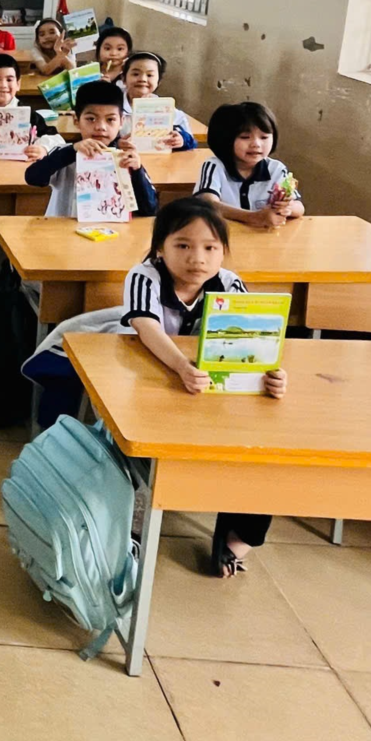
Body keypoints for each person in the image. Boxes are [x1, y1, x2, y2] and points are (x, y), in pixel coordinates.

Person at [121, 197, 284, 577]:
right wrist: (181, 365)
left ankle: (239, 537)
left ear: (223, 252)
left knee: (263, 450)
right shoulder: (145, 277)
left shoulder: (229, 283)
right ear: (159, 248)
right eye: (183, 245)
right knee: (140, 446)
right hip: (150, 381)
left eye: (210, 248)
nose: (198, 258)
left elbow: (251, 341)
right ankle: (132, 517)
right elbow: (146, 326)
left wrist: (272, 374)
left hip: (208, 389)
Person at [22, 79, 157, 216]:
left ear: (121, 122)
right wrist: (72, 151)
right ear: (76, 120)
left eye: (110, 119)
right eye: (91, 119)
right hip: (64, 228)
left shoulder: (126, 158)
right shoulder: (65, 153)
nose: (101, 127)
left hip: (112, 228)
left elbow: (149, 209)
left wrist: (137, 171)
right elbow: (33, 178)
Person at [195, 102, 304, 228]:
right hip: (223, 234)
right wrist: (254, 217)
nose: (256, 144)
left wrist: (286, 207)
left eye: (264, 137)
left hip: (262, 236)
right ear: (225, 139)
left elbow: (299, 208)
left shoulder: (276, 169)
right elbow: (207, 204)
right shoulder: (215, 166)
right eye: (245, 137)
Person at [120, 52, 197, 151]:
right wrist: (117, 144)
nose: (142, 79)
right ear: (123, 78)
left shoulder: (165, 108)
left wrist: (182, 140)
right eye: (135, 74)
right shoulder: (114, 106)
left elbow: (191, 141)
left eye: (149, 75)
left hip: (158, 158)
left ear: (158, 81)